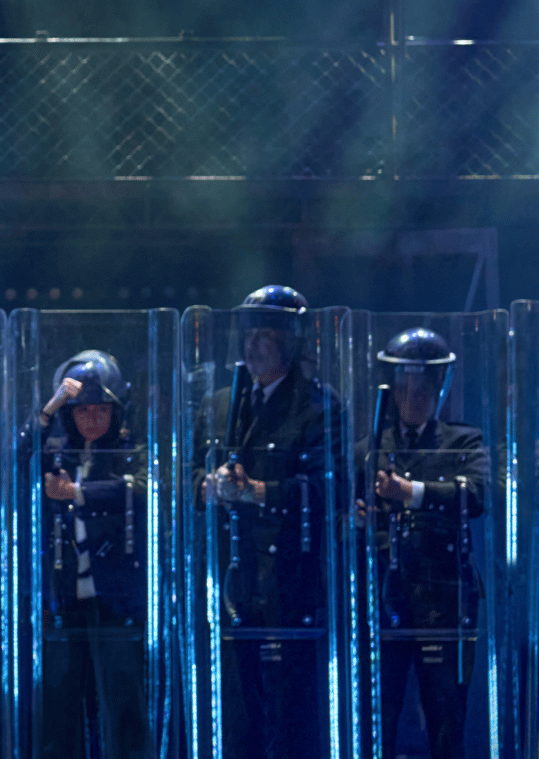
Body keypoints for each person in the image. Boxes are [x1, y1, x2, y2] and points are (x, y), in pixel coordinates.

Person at [195, 285, 338, 759]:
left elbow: (327, 490)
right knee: (237, 716)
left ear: (292, 340)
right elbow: (189, 475)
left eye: (267, 334)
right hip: (229, 581)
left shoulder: (318, 405)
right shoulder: (220, 403)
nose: (253, 344)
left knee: (292, 714)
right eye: (249, 333)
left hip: (289, 582)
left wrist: (258, 492)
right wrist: (209, 486)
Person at [356, 327, 486, 759]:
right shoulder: (368, 447)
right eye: (406, 386)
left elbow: (478, 495)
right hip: (382, 596)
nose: (414, 395)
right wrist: (360, 521)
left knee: (446, 714)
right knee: (380, 715)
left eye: (423, 387)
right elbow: (339, 515)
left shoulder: (462, 442)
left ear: (438, 390)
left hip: (444, 595)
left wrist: (410, 492)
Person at [31, 350, 148, 759]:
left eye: (101, 409)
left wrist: (79, 492)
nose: (92, 419)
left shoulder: (131, 450)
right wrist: (50, 408)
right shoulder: (57, 455)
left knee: (123, 708)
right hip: (64, 598)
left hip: (117, 601)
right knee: (60, 710)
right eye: (82, 410)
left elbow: (143, 488)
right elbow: (11, 461)